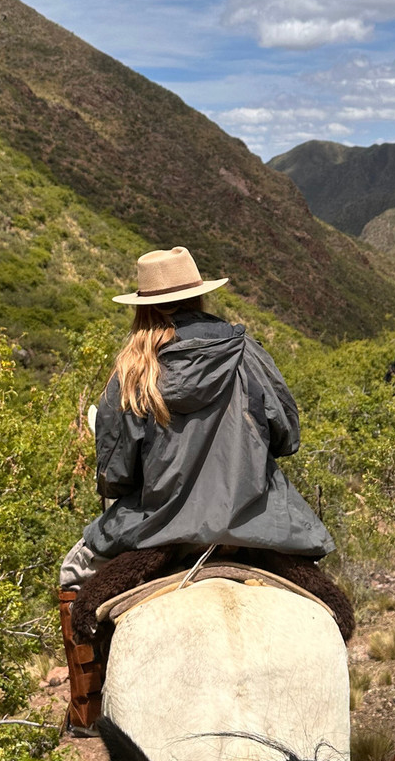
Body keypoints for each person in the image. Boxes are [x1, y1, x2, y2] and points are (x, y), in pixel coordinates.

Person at [60, 246, 335, 592]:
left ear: (142, 307)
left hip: (158, 526)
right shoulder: (248, 353)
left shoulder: (132, 373)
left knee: (72, 577)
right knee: (326, 599)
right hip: (258, 522)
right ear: (199, 297)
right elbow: (287, 437)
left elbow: (115, 477)